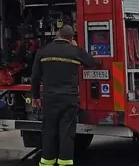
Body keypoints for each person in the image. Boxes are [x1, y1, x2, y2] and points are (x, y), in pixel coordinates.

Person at [30, 24, 98, 166]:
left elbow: (35, 76)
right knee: (66, 132)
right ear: (71, 38)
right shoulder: (75, 51)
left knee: (49, 131)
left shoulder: (44, 51)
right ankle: (65, 163)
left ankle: (47, 162)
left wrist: (36, 97)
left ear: (57, 34)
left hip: (49, 98)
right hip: (69, 99)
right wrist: (77, 47)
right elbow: (92, 62)